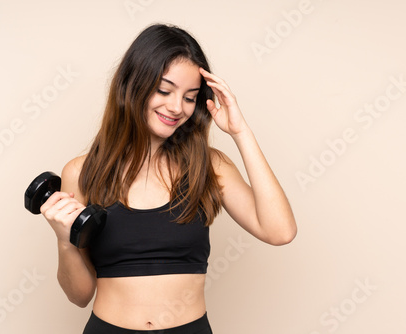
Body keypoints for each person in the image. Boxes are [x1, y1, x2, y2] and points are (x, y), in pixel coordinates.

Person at [40, 23, 297, 334]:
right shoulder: (82, 172)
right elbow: (78, 295)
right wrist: (65, 242)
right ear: (133, 85)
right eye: (164, 90)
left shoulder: (209, 167)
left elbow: (280, 231)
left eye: (190, 97)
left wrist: (241, 132)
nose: (177, 107)